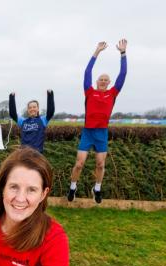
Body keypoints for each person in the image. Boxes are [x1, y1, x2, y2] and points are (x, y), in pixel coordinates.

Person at [68, 39, 127, 204]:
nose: (103, 81)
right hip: (88, 132)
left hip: (101, 133)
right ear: (96, 82)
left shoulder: (113, 93)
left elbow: (122, 75)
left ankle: (97, 188)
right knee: (79, 164)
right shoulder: (89, 91)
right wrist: (97, 52)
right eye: (100, 79)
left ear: (109, 83)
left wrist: (123, 54)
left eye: (105, 79)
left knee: (100, 164)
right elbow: (87, 71)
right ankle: (73, 187)